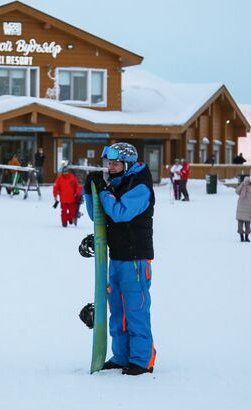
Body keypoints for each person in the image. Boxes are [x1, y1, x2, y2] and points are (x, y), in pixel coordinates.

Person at [84, 142, 156, 375]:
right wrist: (90, 192)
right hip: (116, 257)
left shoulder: (140, 186)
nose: (110, 167)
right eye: (109, 163)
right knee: (117, 311)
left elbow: (120, 213)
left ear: (127, 164)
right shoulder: (117, 184)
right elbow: (99, 216)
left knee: (135, 310)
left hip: (135, 260)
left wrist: (104, 192)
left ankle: (142, 360)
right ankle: (122, 355)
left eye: (115, 163)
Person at [235, 176, 251, 242]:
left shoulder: (242, 188)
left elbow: (236, 191)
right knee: (247, 224)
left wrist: (242, 184)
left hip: (241, 209)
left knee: (240, 223)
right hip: (249, 210)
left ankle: (242, 237)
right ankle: (246, 238)